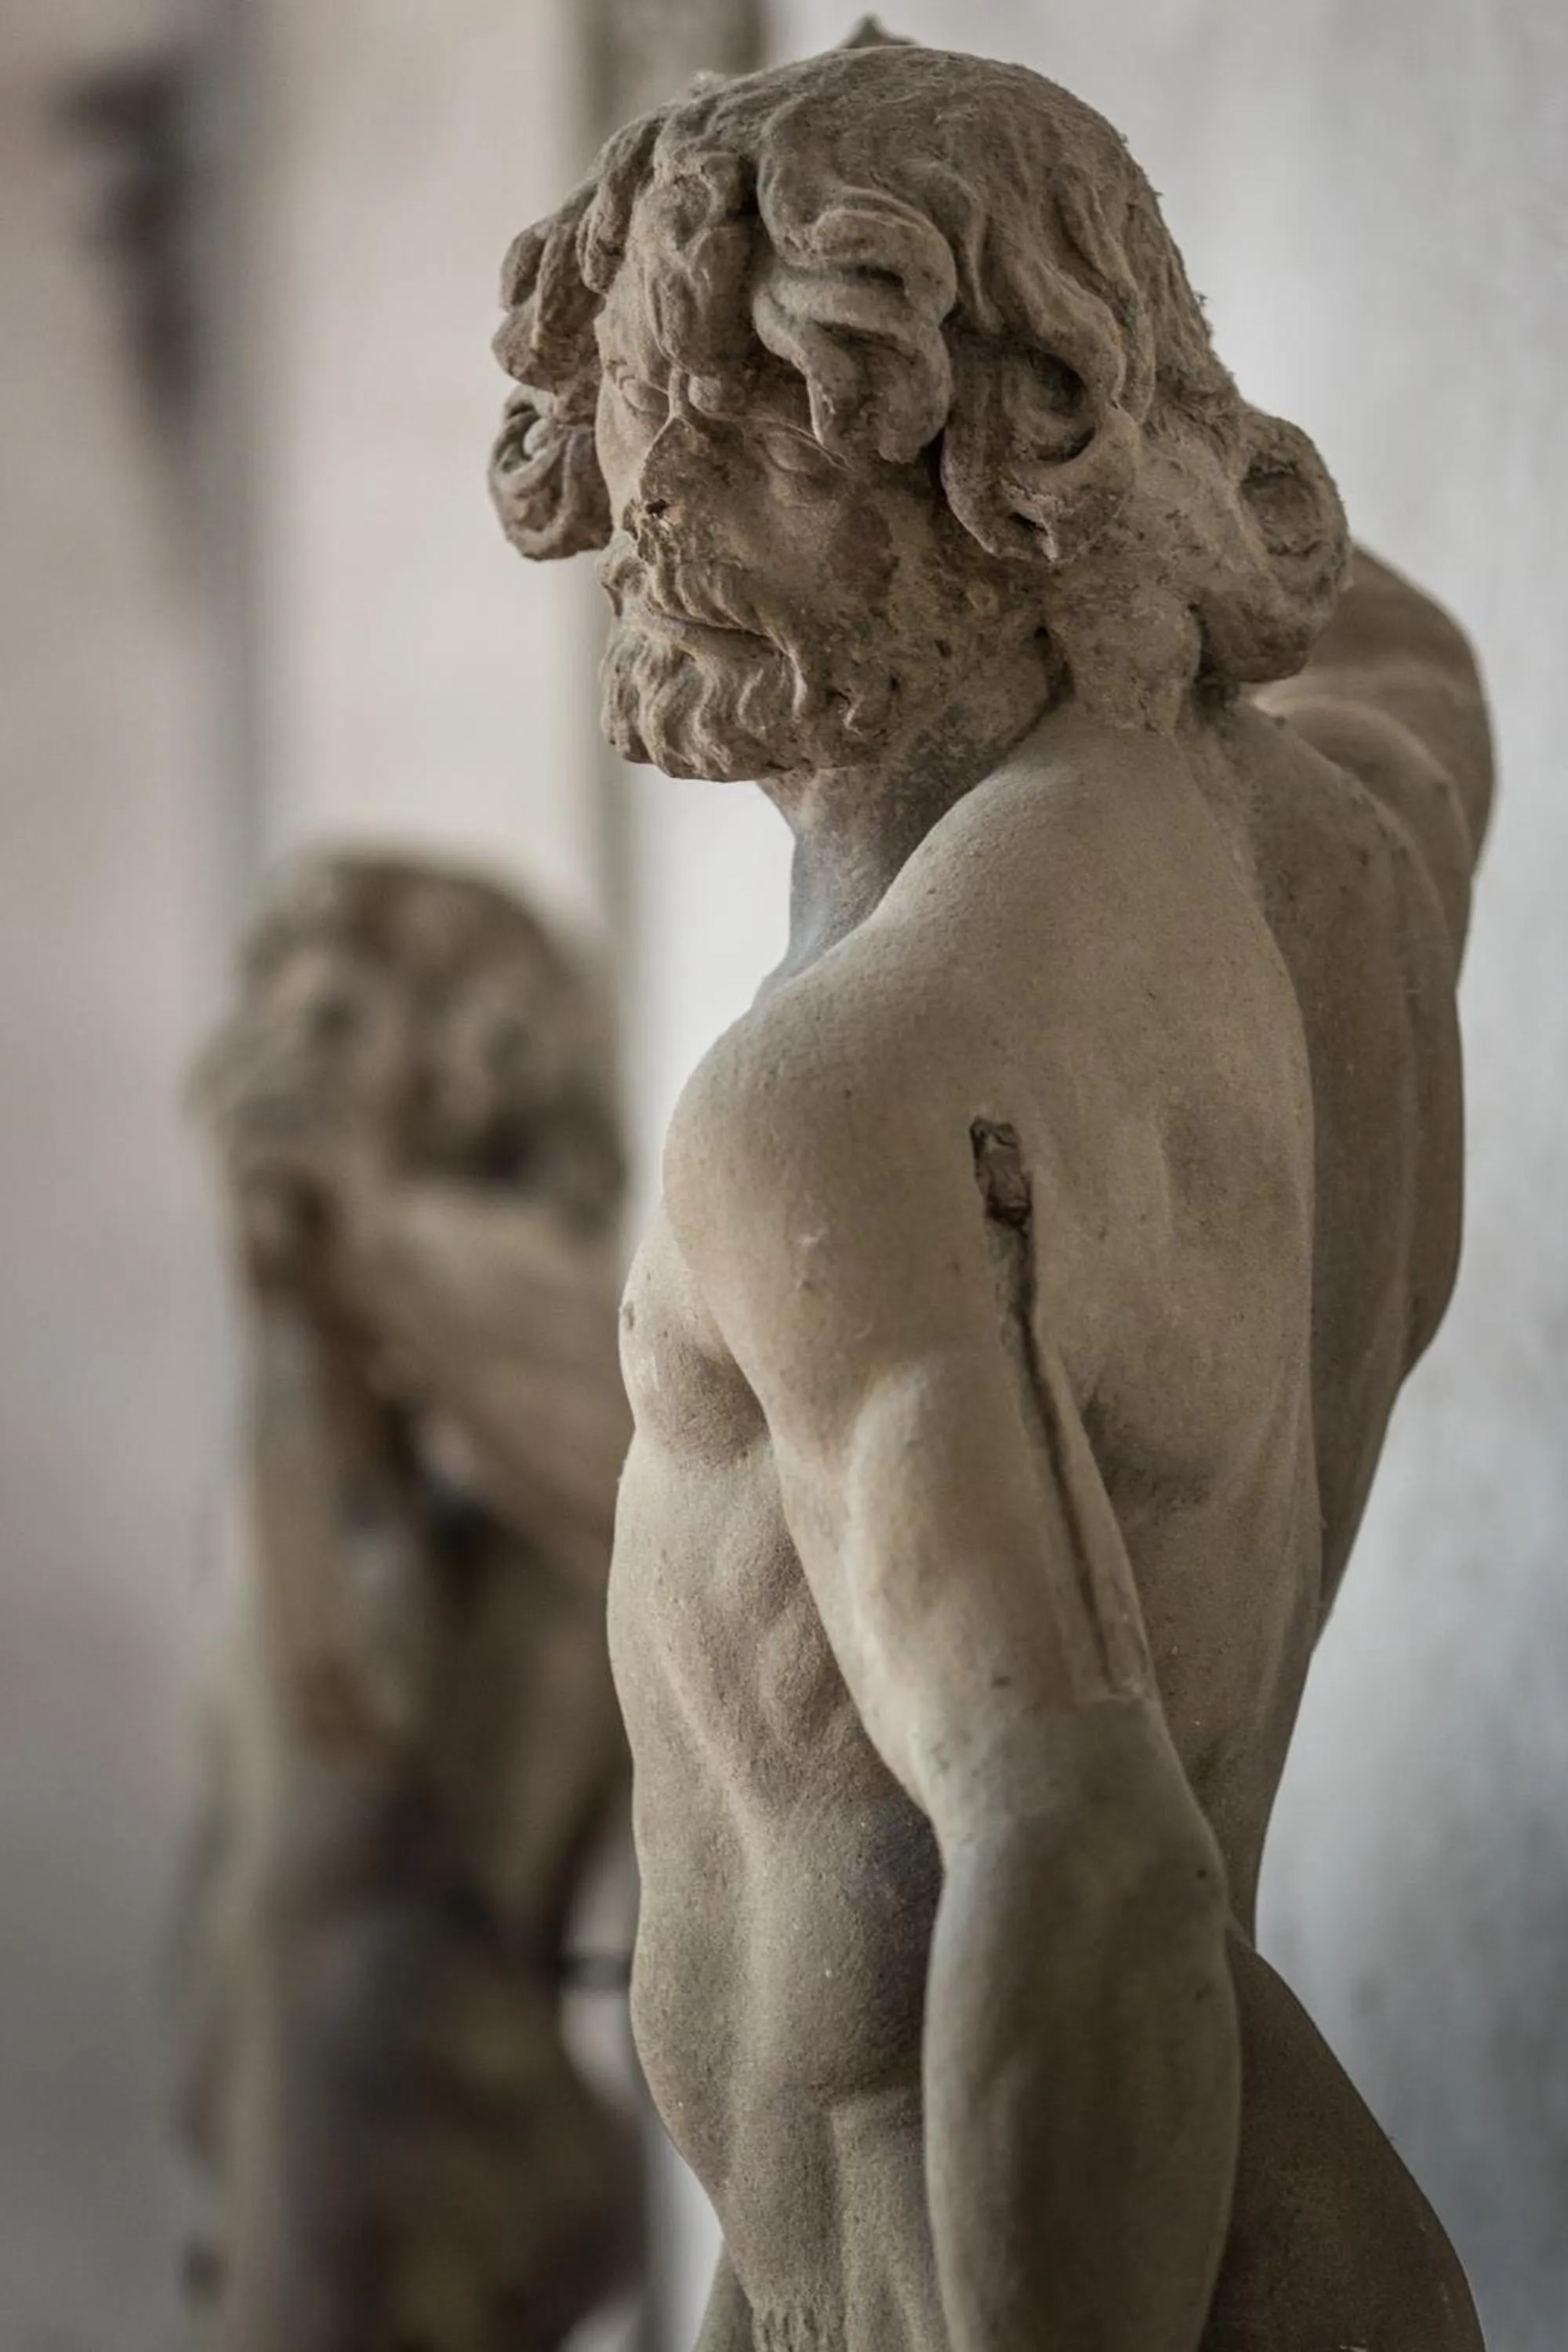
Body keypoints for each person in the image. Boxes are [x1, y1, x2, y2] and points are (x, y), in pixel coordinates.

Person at [492, 35, 1492, 2350]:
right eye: (645, 409)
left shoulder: (844, 1101)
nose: (645, 511)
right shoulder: (1330, 852)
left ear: (1006, 460)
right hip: (1127, 2209)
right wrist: (1171, 473)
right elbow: (1407, 657)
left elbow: (1084, 1854)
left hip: (1013, 2251)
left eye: (747, 424)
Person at [180, 852, 639, 2352]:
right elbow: (329, 1689)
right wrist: (300, 1321)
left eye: (337, 1030)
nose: (272, 1072)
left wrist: (364, 1244)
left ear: (468, 1069)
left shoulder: (537, 1307)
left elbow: (646, 1498)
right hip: (288, 2128)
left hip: (429, 2097)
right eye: (275, 1025)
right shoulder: (331, 1368)